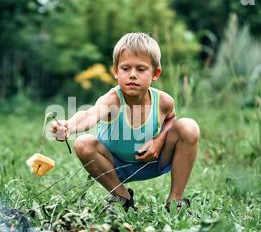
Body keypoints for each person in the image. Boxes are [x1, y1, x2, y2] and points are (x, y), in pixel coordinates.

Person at [50, 33, 199, 212]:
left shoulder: (163, 101)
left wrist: (158, 141)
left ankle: (175, 202)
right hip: (115, 166)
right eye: (125, 68)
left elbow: (171, 120)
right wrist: (68, 126)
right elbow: (90, 114)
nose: (132, 75)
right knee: (83, 143)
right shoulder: (112, 100)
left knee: (189, 126)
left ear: (155, 73)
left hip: (153, 161)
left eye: (141, 69)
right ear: (115, 71)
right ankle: (122, 198)